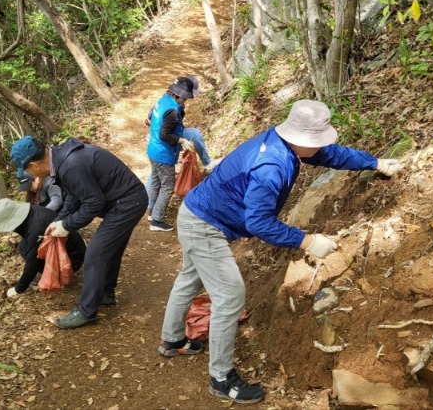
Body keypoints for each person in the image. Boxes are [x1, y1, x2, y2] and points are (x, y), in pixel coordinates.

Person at [157, 100, 403, 404]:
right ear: (303, 138)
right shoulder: (272, 164)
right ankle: (222, 379)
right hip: (206, 225)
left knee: (189, 278)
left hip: (199, 213)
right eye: (319, 139)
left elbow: (332, 154)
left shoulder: (285, 143)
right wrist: (308, 241)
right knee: (230, 296)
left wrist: (375, 163)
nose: (322, 145)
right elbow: (258, 222)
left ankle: (173, 341)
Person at [11, 135, 148, 329]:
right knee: (110, 250)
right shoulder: (61, 161)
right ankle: (105, 293)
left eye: (26, 169)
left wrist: (67, 226)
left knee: (95, 254)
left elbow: (94, 203)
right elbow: (74, 196)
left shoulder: (70, 165)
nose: (29, 174)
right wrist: (60, 220)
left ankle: (87, 311)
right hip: (122, 201)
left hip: (127, 203)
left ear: (33, 165)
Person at [0, 198, 86, 297]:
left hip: (73, 260)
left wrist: (18, 289)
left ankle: (55, 276)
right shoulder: (33, 212)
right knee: (23, 247)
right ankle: (45, 271)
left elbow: (32, 262)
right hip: (71, 249)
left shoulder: (35, 228)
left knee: (30, 255)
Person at [146, 76, 201, 232]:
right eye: (186, 99)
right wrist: (182, 141)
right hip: (163, 154)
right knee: (168, 187)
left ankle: (152, 211)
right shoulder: (172, 111)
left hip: (153, 150)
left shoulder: (163, 100)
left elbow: (150, 116)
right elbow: (165, 134)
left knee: (156, 181)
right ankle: (157, 220)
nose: (186, 101)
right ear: (181, 96)